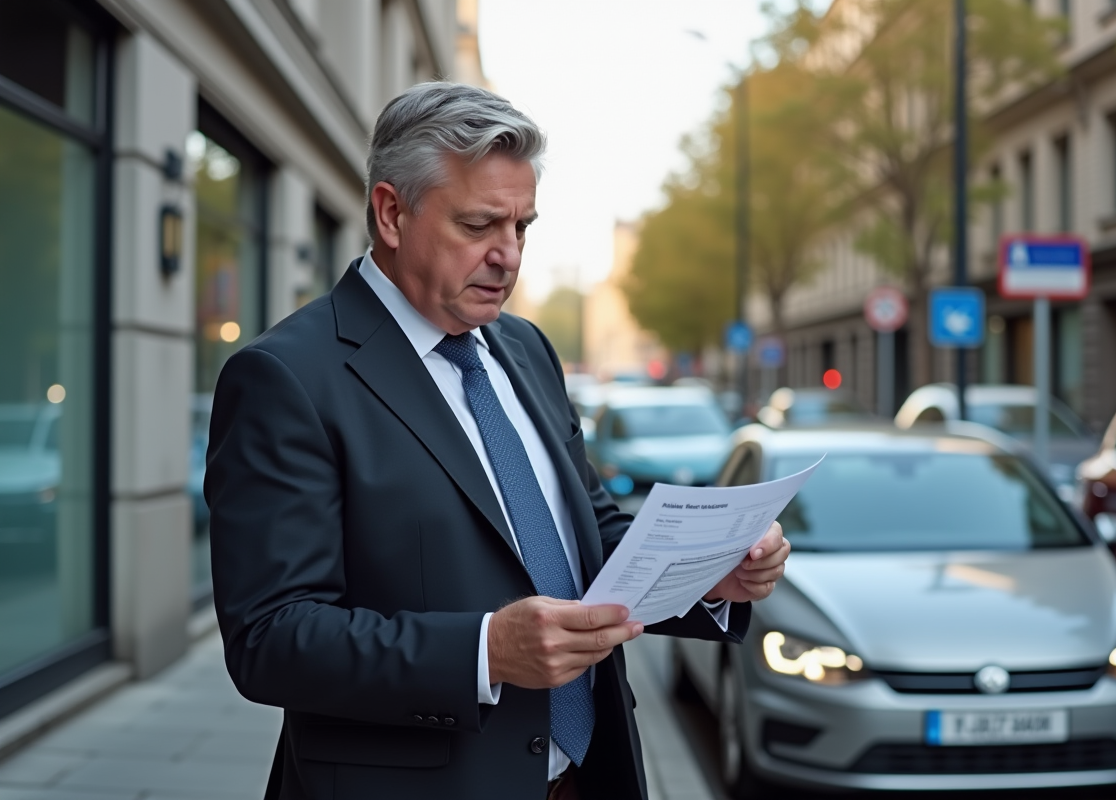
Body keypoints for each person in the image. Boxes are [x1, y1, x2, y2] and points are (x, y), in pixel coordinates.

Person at [205, 82, 790, 800]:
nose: (508, 256)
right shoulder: (285, 377)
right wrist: (485, 652)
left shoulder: (525, 349)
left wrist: (709, 574)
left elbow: (588, 534)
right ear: (391, 213)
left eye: (522, 228)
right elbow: (271, 638)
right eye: (481, 226)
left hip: (586, 775)